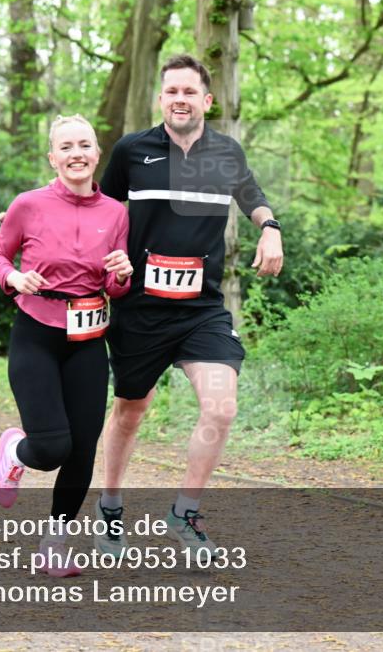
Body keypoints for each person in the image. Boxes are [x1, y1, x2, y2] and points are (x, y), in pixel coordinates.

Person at [95, 54, 283, 555]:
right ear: (161, 99)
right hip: (140, 307)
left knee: (221, 407)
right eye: (172, 91)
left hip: (201, 310)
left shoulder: (226, 152)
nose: (180, 99)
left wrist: (270, 228)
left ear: (207, 100)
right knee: (131, 411)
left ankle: (185, 513)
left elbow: (252, 196)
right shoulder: (132, 150)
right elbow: (99, 212)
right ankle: (109, 506)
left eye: (189, 91)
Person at [0, 114, 132, 577]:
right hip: (37, 333)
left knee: (83, 450)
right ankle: (15, 452)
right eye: (66, 147)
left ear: (97, 154)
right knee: (51, 449)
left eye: (84, 145)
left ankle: (54, 544)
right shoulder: (28, 204)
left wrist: (122, 274)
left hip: (87, 340)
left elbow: (116, 284)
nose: (76, 154)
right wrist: (13, 277)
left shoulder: (116, 212)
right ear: (53, 158)